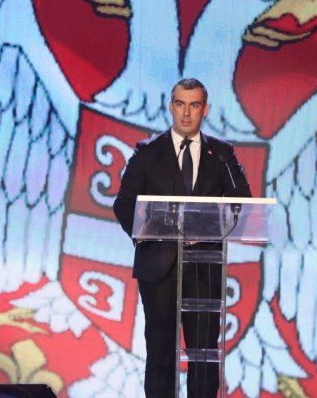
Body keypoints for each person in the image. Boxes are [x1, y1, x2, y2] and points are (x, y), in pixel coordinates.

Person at [113, 78, 252, 397]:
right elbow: (124, 205)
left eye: (193, 105)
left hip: (204, 268)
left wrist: (206, 228)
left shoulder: (221, 154)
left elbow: (241, 202)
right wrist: (148, 233)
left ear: (205, 109)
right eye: (180, 104)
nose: (186, 113)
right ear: (170, 107)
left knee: (204, 354)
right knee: (160, 352)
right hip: (158, 268)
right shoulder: (148, 153)